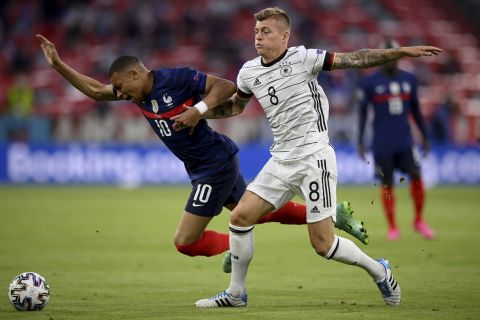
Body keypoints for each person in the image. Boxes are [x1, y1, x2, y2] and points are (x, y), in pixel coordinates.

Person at [175, 7, 442, 307]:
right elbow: (235, 107)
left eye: (266, 32)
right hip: (281, 159)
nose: (258, 37)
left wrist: (401, 53)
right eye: (256, 32)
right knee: (239, 217)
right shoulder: (249, 72)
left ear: (285, 35)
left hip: (314, 157)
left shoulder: (303, 58)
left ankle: (379, 270)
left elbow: (355, 58)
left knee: (323, 246)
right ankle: (236, 294)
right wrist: (199, 113)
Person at [36, 34, 368, 272]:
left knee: (186, 241)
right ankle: (334, 213)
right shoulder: (136, 95)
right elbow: (95, 90)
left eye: (121, 86)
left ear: (136, 74)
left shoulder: (175, 79)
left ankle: (234, 248)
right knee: (257, 213)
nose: (119, 94)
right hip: (203, 166)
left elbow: (224, 85)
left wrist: (198, 109)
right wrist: (58, 64)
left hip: (214, 165)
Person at [357, 39, 436, 241]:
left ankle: (419, 220)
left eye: (396, 55)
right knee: (387, 184)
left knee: (416, 175)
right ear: (383, 57)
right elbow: (363, 113)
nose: (393, 60)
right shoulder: (370, 82)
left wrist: (425, 137)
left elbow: (416, 111)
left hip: (405, 141)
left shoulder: (409, 79)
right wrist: (360, 141)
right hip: (382, 143)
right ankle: (392, 227)